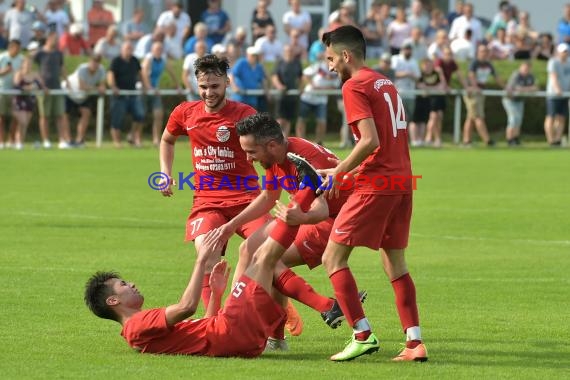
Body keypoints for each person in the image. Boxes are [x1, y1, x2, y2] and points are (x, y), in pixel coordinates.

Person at [319, 25, 427, 362]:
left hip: (377, 184)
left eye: (331, 59)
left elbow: (369, 142)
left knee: (331, 258)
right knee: (394, 261)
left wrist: (340, 170)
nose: (330, 66)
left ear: (346, 55)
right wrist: (346, 170)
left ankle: (362, 334)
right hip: (401, 181)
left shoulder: (355, 84)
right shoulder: (385, 82)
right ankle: (414, 343)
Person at [216, 112, 366, 347]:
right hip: (309, 215)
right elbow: (268, 197)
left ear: (271, 145)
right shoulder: (277, 155)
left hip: (336, 220)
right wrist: (231, 225)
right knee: (248, 249)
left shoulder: (302, 161)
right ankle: (243, 323)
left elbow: (322, 210)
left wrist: (300, 216)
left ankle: (244, 325)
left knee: (267, 260)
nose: (248, 159)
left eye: (251, 152)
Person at [159, 54, 271, 310]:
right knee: (207, 256)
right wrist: (165, 172)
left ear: (227, 83)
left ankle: (277, 325)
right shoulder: (185, 112)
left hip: (247, 200)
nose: (209, 93)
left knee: (265, 253)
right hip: (207, 202)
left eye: (215, 86)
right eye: (203, 87)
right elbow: (167, 139)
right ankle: (215, 323)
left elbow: (268, 148)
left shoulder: (244, 114)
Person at [84, 229, 286, 357]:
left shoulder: (140, 327)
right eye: (123, 284)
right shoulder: (136, 325)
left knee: (268, 263)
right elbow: (186, 307)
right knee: (258, 253)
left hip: (236, 339)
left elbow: (204, 328)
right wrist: (201, 260)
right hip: (230, 332)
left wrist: (216, 293)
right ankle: (304, 196)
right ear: (113, 300)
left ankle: (304, 200)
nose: (132, 284)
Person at [35, 32, 70, 149]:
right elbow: (34, 69)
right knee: (45, 116)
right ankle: (46, 140)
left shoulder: (58, 53)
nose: (56, 41)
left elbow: (62, 67)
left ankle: (62, 140)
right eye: (54, 39)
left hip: (57, 88)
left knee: (60, 115)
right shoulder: (39, 53)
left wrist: (67, 81)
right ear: (48, 39)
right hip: (44, 89)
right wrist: (40, 85)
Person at [463, 44, 503, 147]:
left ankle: (467, 140)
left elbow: (496, 77)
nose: (484, 53)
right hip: (473, 93)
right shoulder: (474, 63)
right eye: (482, 51)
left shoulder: (489, 64)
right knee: (478, 116)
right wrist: (476, 87)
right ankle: (487, 140)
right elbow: (471, 75)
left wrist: (506, 87)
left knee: (471, 117)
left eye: (486, 51)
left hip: (480, 92)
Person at [141, 41, 180, 146]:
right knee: (140, 115)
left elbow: (171, 72)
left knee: (158, 114)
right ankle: (136, 138)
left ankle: (156, 139)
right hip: (144, 90)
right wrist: (148, 87)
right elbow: (144, 72)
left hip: (155, 90)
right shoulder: (148, 58)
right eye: (156, 49)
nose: (158, 51)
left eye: (160, 49)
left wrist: (177, 85)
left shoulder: (163, 60)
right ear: (152, 50)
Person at [107, 42, 145, 148]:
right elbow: (110, 74)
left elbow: (140, 73)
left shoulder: (134, 60)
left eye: (130, 48)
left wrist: (144, 86)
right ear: (122, 50)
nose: (129, 51)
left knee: (140, 115)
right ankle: (117, 142)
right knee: (117, 119)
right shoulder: (116, 61)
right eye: (127, 48)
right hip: (119, 95)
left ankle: (133, 136)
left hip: (132, 93)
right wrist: (113, 87)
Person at [64, 54, 106, 147]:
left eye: (97, 62)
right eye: (93, 61)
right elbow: (82, 86)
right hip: (69, 93)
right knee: (64, 115)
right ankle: (68, 140)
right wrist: (96, 88)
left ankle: (79, 140)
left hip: (83, 96)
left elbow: (102, 86)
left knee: (86, 113)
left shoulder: (101, 70)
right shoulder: (82, 69)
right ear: (89, 61)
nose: (95, 64)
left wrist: (101, 87)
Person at [296, 58, 341, 144]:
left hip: (321, 100)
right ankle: (300, 142)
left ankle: (318, 143)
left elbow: (334, 87)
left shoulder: (336, 71)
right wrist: (313, 85)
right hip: (307, 97)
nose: (329, 61)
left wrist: (320, 89)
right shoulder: (318, 66)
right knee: (302, 120)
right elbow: (305, 75)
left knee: (322, 121)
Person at [12, 57, 46, 150]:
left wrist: (42, 88)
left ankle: (20, 142)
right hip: (19, 100)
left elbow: (41, 85)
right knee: (22, 121)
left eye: (30, 64)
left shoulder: (35, 74)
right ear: (23, 65)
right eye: (26, 64)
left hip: (30, 100)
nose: (28, 66)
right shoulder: (19, 74)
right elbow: (16, 86)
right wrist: (28, 87)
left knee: (26, 123)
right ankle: (18, 141)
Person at [502, 61, 537, 146]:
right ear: (520, 67)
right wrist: (528, 89)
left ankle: (516, 138)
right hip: (510, 100)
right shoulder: (516, 75)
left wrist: (525, 89)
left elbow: (535, 87)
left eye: (528, 68)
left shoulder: (530, 76)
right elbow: (515, 88)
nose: (526, 70)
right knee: (513, 119)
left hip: (520, 100)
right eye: (524, 68)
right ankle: (509, 139)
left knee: (518, 120)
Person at [271, 45, 303, 137]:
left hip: (292, 96)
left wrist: (300, 88)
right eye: (287, 51)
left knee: (288, 120)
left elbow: (301, 77)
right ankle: (277, 138)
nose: (289, 53)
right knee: (280, 119)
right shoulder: (279, 62)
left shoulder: (297, 63)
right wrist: (279, 86)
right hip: (281, 96)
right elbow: (274, 76)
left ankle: (285, 140)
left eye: (291, 51)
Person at [544, 43, 570, 146]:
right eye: (563, 51)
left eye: (566, 51)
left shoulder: (569, 62)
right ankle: (551, 140)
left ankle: (558, 139)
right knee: (551, 117)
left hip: (565, 95)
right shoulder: (553, 62)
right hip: (553, 95)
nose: (565, 53)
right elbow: (553, 77)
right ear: (559, 52)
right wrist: (558, 90)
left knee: (562, 118)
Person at [0, 39, 24, 150]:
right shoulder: (2, 57)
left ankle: (12, 139)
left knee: (16, 117)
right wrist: (5, 71)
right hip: (2, 90)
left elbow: (24, 73)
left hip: (15, 91)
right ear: (11, 47)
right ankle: (1, 141)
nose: (18, 50)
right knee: (1, 117)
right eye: (16, 48)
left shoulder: (22, 59)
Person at [230, 46, 268, 111]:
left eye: (255, 55)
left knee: (251, 118)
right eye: (252, 55)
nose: (254, 57)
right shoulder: (241, 63)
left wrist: (266, 90)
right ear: (247, 55)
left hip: (252, 100)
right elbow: (231, 75)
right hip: (240, 98)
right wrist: (234, 87)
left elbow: (263, 80)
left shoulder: (259, 66)